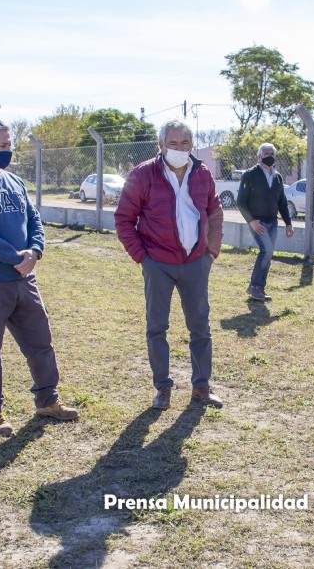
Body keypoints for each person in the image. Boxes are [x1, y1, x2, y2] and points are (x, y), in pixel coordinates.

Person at [0, 119, 79, 436]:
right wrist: (14, 257)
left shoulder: (14, 182)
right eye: (3, 145)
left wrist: (35, 250)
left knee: (40, 343)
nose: (9, 150)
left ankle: (47, 401)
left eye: (10, 144)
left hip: (24, 281)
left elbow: (34, 220)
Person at [115, 119, 224, 411]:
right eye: (173, 144)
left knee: (200, 327)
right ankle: (162, 387)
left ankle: (202, 386)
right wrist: (143, 258)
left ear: (192, 145)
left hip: (196, 263)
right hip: (158, 263)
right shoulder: (142, 175)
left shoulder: (202, 173)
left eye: (185, 143)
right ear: (161, 146)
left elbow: (214, 211)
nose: (179, 149)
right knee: (157, 327)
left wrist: (211, 251)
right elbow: (124, 219)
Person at [237, 143, 293, 301]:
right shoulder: (250, 174)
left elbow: (282, 202)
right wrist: (251, 221)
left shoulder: (277, 177)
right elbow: (241, 201)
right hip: (258, 222)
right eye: (265, 153)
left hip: (272, 222)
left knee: (267, 255)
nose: (269, 156)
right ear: (259, 156)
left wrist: (288, 223)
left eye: (271, 153)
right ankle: (254, 286)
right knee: (266, 251)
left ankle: (259, 289)